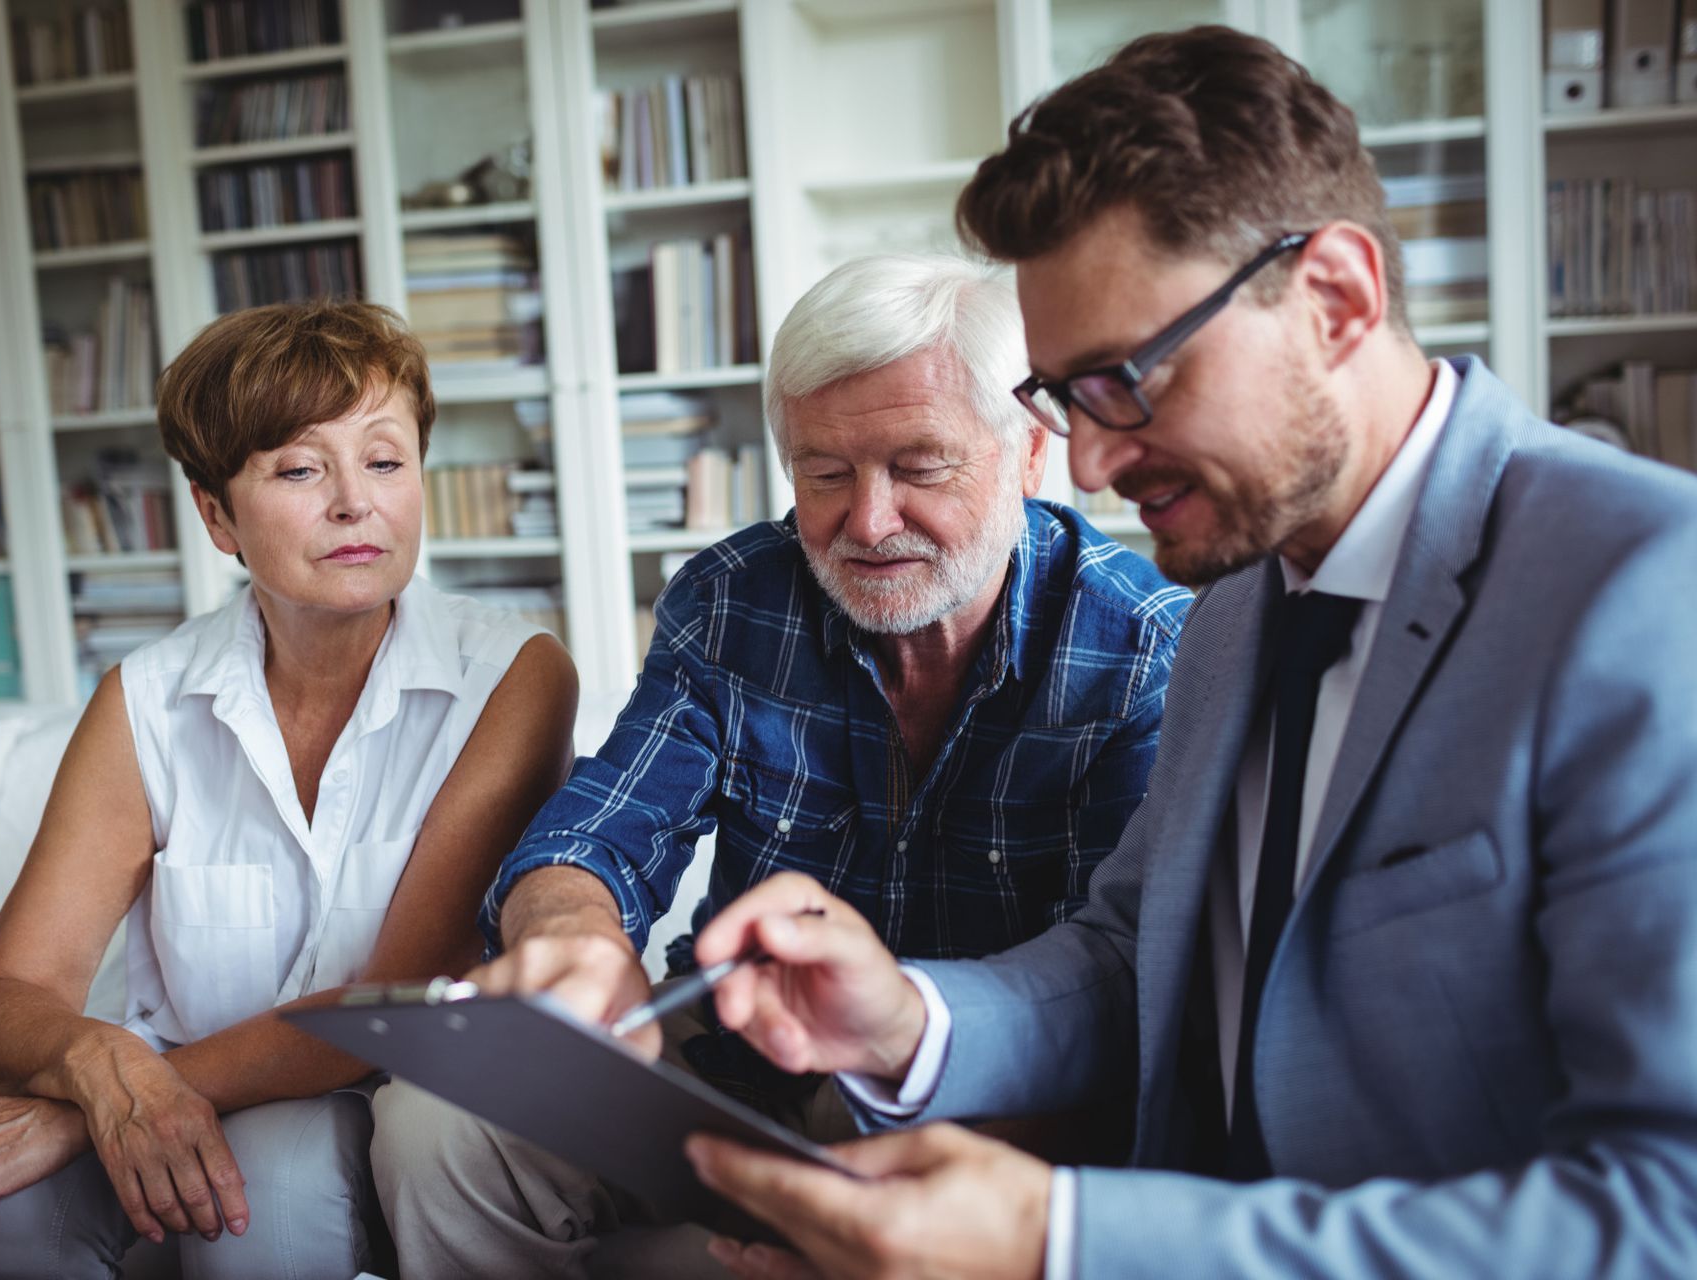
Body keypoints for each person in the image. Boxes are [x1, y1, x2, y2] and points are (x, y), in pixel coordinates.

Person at [680, 26, 1697, 1280]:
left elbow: (1667, 1218)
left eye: (1127, 379)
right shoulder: (1234, 602)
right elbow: (1130, 954)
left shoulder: (1646, 587)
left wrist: (1066, 1240)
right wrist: (906, 1017)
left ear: (1335, 297)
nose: (1095, 465)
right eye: (1064, 398)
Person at [367, 254, 1192, 1275]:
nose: (868, 521)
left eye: (920, 465)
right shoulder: (734, 597)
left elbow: (1120, 1000)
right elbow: (598, 830)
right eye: (825, 472)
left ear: (1028, 452)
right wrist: (576, 931)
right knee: (434, 1121)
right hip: (732, 1062)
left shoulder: (1145, 650)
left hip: (973, 1111)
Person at [0, 300, 580, 1279]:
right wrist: (99, 1070)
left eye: (385, 460)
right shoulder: (145, 697)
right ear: (215, 513)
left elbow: (394, 1000)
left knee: (259, 1194)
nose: (356, 502)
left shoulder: (514, 673)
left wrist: (111, 1106)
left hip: (394, 1097)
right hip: (168, 1077)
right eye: (302, 469)